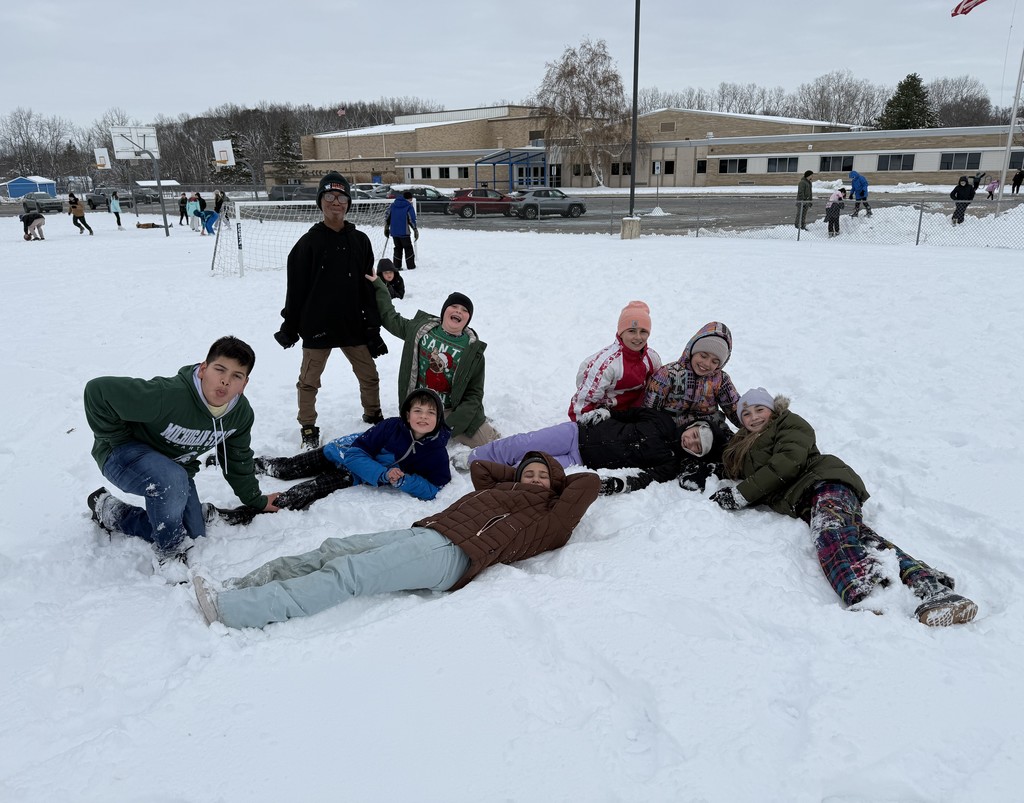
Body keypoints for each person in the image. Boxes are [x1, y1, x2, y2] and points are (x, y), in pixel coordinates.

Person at [192, 452, 601, 629]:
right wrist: (521, 474)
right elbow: (481, 469)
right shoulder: (500, 489)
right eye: (527, 472)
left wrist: (549, 480)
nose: (532, 478)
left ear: (555, 484)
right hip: (427, 534)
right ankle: (239, 586)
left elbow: (588, 482)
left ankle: (233, 611)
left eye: (541, 475)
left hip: (455, 555)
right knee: (334, 549)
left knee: (349, 572)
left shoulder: (551, 517)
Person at [702, 388, 978, 627]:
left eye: (759, 409)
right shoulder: (744, 445)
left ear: (773, 409)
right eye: (746, 413)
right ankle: (932, 589)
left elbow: (787, 463)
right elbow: (749, 472)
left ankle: (865, 593)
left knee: (830, 534)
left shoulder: (790, 424)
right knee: (866, 542)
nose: (753, 417)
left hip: (825, 483)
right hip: (806, 500)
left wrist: (740, 495)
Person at [84, 336, 281, 577]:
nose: (225, 381)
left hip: (172, 470)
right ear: (203, 369)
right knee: (172, 484)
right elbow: (97, 391)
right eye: (220, 369)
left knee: (193, 532)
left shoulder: (239, 416)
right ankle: (169, 550)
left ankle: (111, 511)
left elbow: (237, 459)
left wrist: (256, 500)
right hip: (122, 456)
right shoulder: (168, 396)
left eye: (236, 376)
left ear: (244, 384)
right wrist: (117, 438)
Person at [274, 171, 384, 449]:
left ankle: (373, 416)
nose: (336, 201)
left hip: (352, 324)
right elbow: (295, 289)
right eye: (330, 196)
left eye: (342, 196)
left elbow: (368, 287)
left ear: (348, 203)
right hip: (317, 324)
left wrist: (373, 328)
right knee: (309, 381)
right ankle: (308, 427)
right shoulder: (307, 244)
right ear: (320, 202)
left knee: (369, 376)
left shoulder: (360, 241)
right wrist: (290, 326)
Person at [238, 388, 451, 522]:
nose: (423, 417)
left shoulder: (436, 452)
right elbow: (354, 455)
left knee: (309, 490)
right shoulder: (390, 427)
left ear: (438, 419)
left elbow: (434, 489)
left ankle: (247, 512)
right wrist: (384, 475)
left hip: (356, 475)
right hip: (341, 452)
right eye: (418, 411)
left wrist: (405, 481)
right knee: (287, 468)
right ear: (407, 414)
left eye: (430, 413)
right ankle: (245, 463)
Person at [465, 407, 728, 496]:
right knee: (523, 444)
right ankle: (475, 458)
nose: (691, 442)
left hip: (582, 459)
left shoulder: (670, 463)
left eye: (697, 447)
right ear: (692, 426)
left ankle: (491, 476)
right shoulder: (663, 421)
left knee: (535, 468)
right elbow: (627, 413)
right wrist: (605, 412)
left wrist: (620, 484)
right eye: (694, 435)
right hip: (579, 433)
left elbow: (645, 479)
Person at [371, 272, 498, 448]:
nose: (458, 311)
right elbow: (390, 318)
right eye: (454, 306)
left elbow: (474, 394)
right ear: (444, 311)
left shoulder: (473, 350)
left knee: (489, 443)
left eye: (464, 310)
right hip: (420, 406)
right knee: (408, 443)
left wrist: (450, 425)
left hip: (448, 411)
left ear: (468, 319)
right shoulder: (420, 331)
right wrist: (379, 284)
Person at [568, 300, 662, 423]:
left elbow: (658, 388)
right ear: (621, 333)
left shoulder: (651, 358)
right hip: (609, 415)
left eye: (643, 331)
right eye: (632, 331)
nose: (638, 337)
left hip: (637, 413)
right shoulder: (606, 364)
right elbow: (580, 409)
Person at [643, 321, 740, 431]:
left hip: (709, 433)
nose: (707, 364)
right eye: (703, 356)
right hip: (672, 432)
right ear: (693, 351)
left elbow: (735, 409)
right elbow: (649, 411)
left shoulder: (721, 380)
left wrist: (754, 420)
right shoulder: (667, 374)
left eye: (715, 361)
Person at [385, 190, 419, 270]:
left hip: (394, 232)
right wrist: (415, 229)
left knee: (397, 248)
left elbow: (387, 216)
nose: (411, 201)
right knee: (408, 248)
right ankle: (411, 266)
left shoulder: (393, 205)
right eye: (411, 199)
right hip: (404, 232)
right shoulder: (408, 206)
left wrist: (386, 227)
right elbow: (412, 219)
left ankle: (397, 266)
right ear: (409, 198)